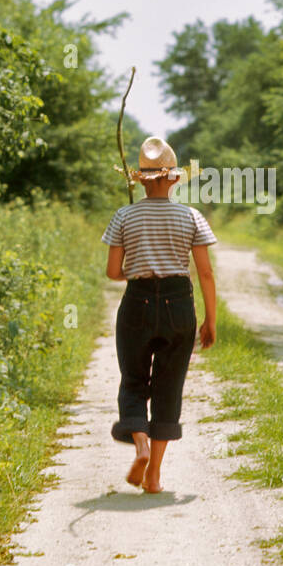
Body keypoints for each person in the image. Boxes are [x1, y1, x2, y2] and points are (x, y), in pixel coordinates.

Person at [101, 136, 217, 493]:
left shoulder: (124, 215)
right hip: (178, 304)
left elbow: (113, 271)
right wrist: (210, 320)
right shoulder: (190, 216)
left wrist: (135, 270)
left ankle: (140, 445)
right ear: (174, 179)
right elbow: (206, 274)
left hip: (137, 302)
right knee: (169, 386)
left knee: (133, 380)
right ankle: (153, 475)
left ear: (142, 180)